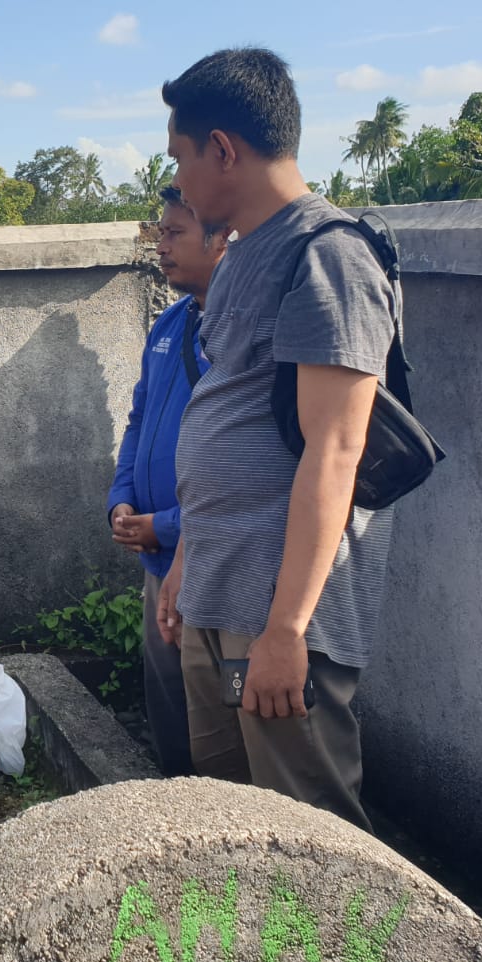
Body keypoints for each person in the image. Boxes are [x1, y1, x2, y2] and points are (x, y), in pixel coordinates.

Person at [156, 47, 395, 831]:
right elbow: (228, 414)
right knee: (233, 824)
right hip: (221, 598)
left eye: (181, 159)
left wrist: (288, 630)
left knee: (308, 832)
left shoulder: (328, 258)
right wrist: (187, 564)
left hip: (277, 618)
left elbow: (336, 451)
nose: (179, 180)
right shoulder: (239, 261)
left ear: (223, 150)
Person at [106, 186, 227, 776]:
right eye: (160, 232)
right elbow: (139, 419)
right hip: (157, 563)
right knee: (171, 712)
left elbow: (246, 464)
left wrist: (170, 526)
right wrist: (121, 500)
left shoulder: (238, 331)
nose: (160, 246)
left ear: (221, 238)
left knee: (219, 726)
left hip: (212, 560)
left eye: (175, 233)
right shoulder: (171, 323)